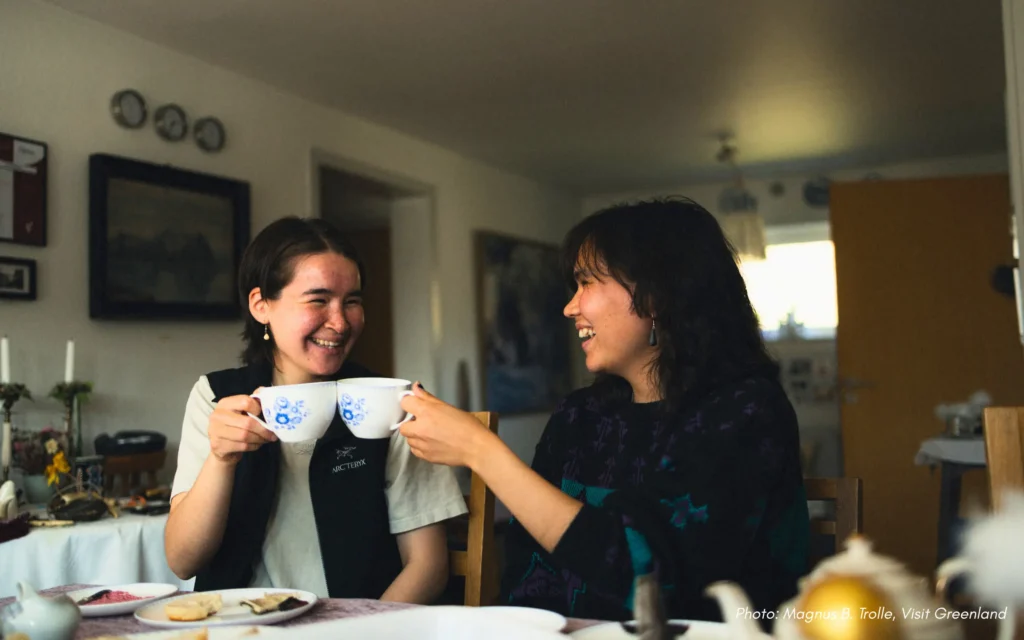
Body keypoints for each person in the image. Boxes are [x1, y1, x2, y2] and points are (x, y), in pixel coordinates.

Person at [398, 197, 810, 621]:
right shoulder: (580, 416)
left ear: (656, 296)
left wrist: (480, 451)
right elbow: (530, 564)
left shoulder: (746, 412)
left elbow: (654, 578)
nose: (570, 307)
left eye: (587, 283)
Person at [165, 217, 467, 603]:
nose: (340, 323)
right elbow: (182, 560)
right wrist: (221, 460)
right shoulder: (217, 397)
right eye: (318, 300)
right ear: (261, 305)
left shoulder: (389, 402)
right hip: (239, 627)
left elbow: (428, 567)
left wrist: (352, 634)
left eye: (352, 301)